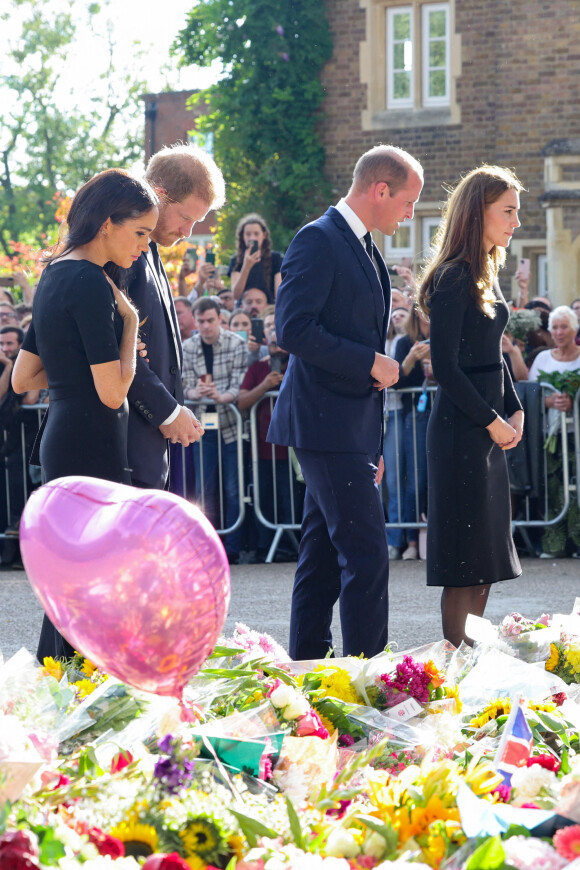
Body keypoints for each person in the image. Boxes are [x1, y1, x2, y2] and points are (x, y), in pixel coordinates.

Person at [268, 144, 424, 659]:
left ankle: (309, 671)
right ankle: (370, 682)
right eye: (408, 202)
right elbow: (292, 329)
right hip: (322, 423)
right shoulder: (317, 238)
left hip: (348, 428)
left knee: (320, 559)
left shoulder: (367, 248)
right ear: (380, 190)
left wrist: (372, 443)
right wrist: (369, 361)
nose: (410, 213)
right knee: (366, 556)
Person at [12, 168, 159, 661]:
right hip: (91, 441)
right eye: (139, 233)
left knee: (73, 583)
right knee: (88, 584)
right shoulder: (91, 283)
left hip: (64, 435)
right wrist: (131, 326)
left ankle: (53, 686)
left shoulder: (53, 274)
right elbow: (114, 393)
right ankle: (68, 695)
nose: (143, 246)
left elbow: (23, 378)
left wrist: (76, 371)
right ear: (106, 225)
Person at [417, 165, 525, 649]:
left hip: (486, 429)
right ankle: (454, 671)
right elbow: (446, 366)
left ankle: (468, 663)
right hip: (462, 431)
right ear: (477, 211)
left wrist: (515, 408)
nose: (516, 222)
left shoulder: (486, 270)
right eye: (508, 211)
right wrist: (492, 421)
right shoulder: (454, 276)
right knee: (462, 562)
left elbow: (491, 355)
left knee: (482, 560)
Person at [125, 143, 225, 489]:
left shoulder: (150, 251)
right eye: (185, 218)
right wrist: (167, 412)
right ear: (158, 193)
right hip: (123, 448)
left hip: (147, 445)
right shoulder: (123, 254)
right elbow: (113, 349)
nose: (187, 232)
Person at [182, 297, 248, 563]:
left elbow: (239, 383)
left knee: (233, 488)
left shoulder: (237, 343)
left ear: (220, 318)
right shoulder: (187, 346)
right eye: (201, 321)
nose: (206, 326)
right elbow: (183, 386)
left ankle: (232, 548)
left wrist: (223, 395)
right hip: (200, 426)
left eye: (210, 320)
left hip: (230, 425)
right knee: (204, 489)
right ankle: (208, 546)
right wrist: (195, 392)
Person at [528, 305, 580, 557]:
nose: (559, 332)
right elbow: (529, 394)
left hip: (577, 434)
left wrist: (575, 400)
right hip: (551, 435)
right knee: (553, 488)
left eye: (564, 327)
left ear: (574, 330)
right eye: (555, 328)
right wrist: (547, 401)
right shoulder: (542, 358)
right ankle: (555, 543)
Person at [393, 305, 432, 561]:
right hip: (416, 413)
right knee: (415, 479)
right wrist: (411, 359)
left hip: (446, 408)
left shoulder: (451, 332)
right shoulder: (404, 341)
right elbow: (396, 380)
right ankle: (411, 541)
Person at [228, 214, 282, 302]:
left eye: (256, 234)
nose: (252, 238)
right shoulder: (236, 260)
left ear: (264, 235)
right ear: (242, 236)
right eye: (248, 234)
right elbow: (236, 295)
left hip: (268, 309)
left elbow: (279, 294)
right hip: (244, 309)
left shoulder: (276, 258)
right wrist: (246, 266)